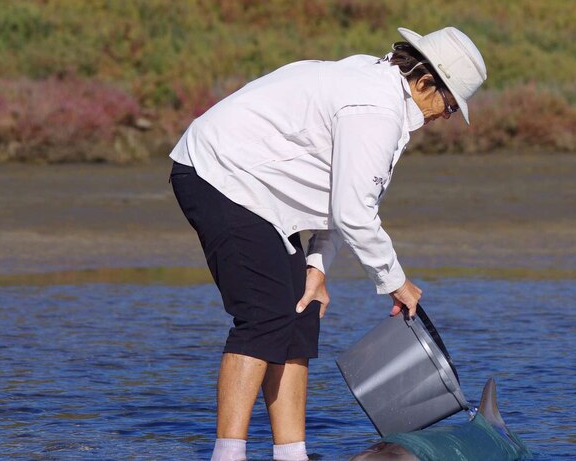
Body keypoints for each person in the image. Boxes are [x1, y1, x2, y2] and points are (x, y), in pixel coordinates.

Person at [169, 26, 487, 461]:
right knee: (262, 317)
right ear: (425, 81)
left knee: (298, 316)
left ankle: (291, 454)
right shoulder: (374, 108)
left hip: (262, 193)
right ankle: (227, 455)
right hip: (221, 174)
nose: (445, 116)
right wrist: (396, 282)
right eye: (449, 105)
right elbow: (354, 214)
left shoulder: (381, 94)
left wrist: (316, 271)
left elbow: (340, 197)